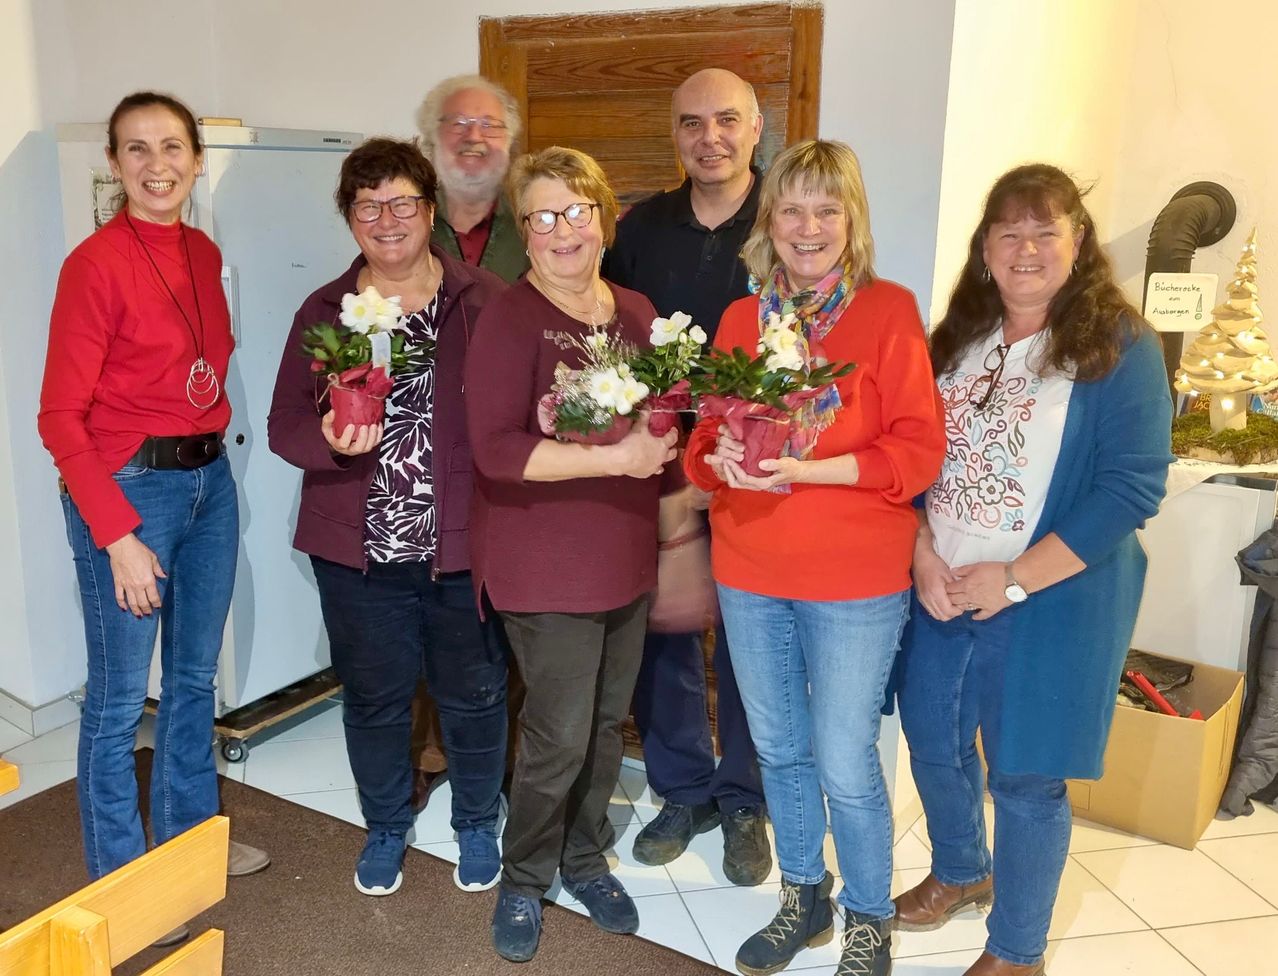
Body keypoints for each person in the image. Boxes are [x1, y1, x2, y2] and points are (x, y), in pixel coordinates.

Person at [895, 164, 1174, 976]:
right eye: (1008, 232)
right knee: (933, 741)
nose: (1026, 248)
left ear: (1077, 241)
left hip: (1050, 598)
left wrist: (1015, 577)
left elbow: (1131, 488)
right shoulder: (957, 339)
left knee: (1024, 775)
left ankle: (1017, 951)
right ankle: (960, 869)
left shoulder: (1121, 345)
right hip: (942, 587)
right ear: (984, 249)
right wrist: (921, 550)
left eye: (1045, 231)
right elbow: (911, 455)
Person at [684, 139, 946, 976]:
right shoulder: (742, 321)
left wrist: (811, 470)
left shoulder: (889, 312)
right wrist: (717, 457)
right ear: (770, 221)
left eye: (826, 210)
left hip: (853, 581)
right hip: (749, 570)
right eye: (792, 209)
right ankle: (805, 896)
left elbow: (919, 451)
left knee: (843, 758)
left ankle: (871, 916)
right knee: (779, 748)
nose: (808, 227)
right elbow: (703, 441)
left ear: (851, 221)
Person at [38, 90, 269, 935]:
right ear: (114, 164)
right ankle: (124, 880)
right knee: (115, 700)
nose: (157, 164)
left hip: (211, 485)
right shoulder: (94, 265)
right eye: (136, 149)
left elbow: (199, 372)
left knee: (194, 681)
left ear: (196, 161)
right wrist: (118, 536)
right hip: (130, 491)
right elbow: (59, 418)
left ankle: (187, 842)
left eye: (172, 147)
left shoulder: (203, 253)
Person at [267, 137, 509, 898]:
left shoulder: (484, 301)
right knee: (374, 700)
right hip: (359, 556)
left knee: (475, 695)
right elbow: (283, 424)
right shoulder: (325, 309)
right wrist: (327, 439)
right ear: (350, 219)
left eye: (403, 202)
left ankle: (477, 821)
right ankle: (385, 824)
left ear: (430, 212)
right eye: (368, 206)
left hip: (462, 546)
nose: (387, 219)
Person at [465, 146, 680, 963]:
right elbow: (493, 449)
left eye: (577, 210)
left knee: (603, 726)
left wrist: (670, 445)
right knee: (557, 735)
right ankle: (524, 878)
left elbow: (662, 420)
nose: (563, 230)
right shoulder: (510, 317)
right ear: (525, 232)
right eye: (544, 216)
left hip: (624, 555)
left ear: (603, 217)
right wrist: (617, 456)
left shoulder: (638, 312)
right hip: (544, 564)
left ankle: (584, 858)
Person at [604, 66, 770, 885]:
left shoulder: (785, 218)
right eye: (692, 123)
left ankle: (744, 797)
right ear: (674, 135)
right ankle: (682, 788)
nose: (711, 138)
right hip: (663, 463)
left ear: (756, 129)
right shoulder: (640, 228)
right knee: (664, 631)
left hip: (757, 468)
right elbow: (610, 335)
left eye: (727, 120)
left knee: (750, 638)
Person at [408, 74, 530, 813]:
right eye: (457, 124)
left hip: (516, 455)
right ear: (429, 141)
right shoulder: (406, 223)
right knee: (424, 607)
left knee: (505, 614)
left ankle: (501, 756)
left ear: (510, 143)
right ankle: (427, 753)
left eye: (490, 126)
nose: (474, 138)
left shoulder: (536, 223)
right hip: (422, 458)